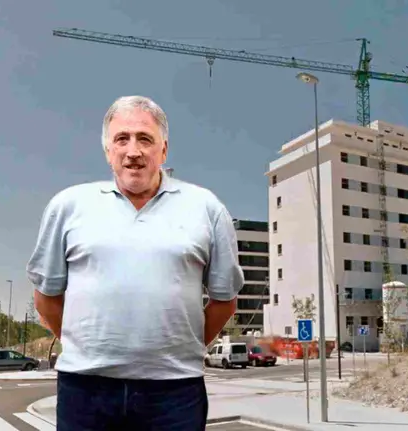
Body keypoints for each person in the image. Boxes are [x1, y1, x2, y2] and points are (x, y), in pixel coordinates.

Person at [27, 95, 244, 430]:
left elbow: (224, 301)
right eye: (122, 139)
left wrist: (179, 349)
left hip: (175, 393)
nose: (133, 151)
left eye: (145, 139)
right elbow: (46, 297)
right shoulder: (67, 206)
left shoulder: (206, 208)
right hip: (85, 391)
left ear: (164, 150)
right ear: (107, 151)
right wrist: (86, 345)